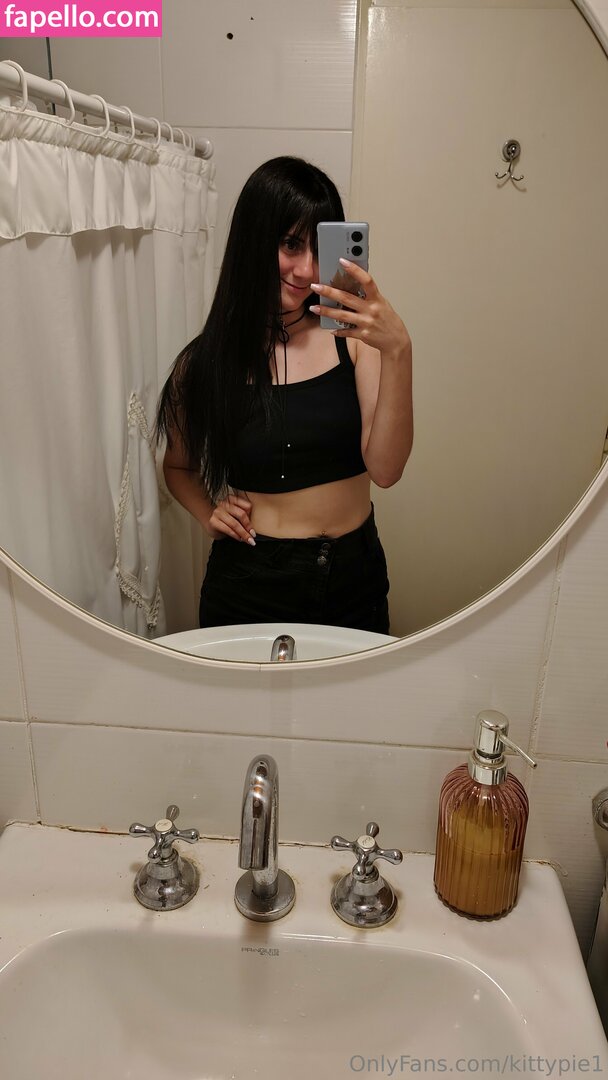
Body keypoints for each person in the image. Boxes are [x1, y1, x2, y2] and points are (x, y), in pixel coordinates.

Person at [156, 156, 413, 634]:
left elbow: (386, 470)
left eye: (318, 247)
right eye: (291, 244)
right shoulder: (204, 363)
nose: (306, 268)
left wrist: (398, 350)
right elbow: (178, 467)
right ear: (253, 240)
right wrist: (208, 513)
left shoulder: (354, 343)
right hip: (248, 581)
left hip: (351, 576)